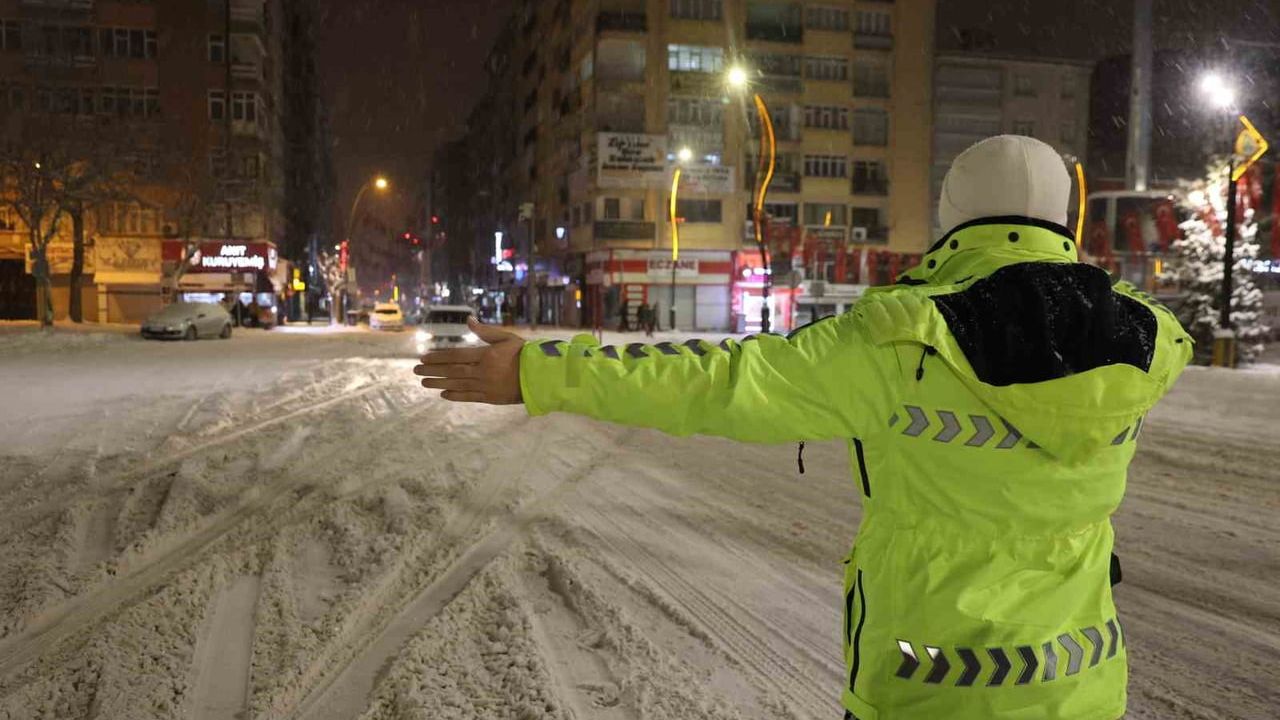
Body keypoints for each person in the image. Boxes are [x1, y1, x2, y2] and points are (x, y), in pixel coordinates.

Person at [414, 136, 1192, 720]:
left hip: (931, 688)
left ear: (954, 216)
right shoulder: (1138, 341)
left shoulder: (908, 339)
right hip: (1086, 687)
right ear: (1063, 216)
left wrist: (542, 371)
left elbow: (723, 383)